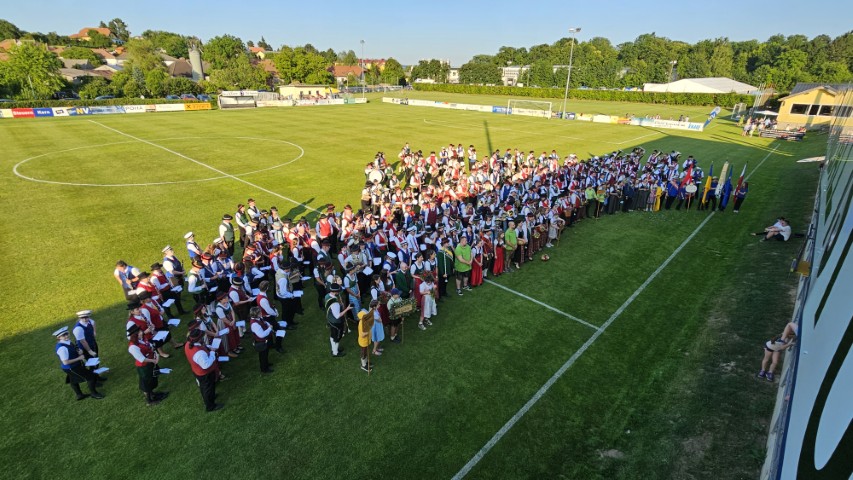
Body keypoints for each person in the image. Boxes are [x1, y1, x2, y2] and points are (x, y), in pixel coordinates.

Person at [54, 326, 104, 401]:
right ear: (58, 337)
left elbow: (72, 351)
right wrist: (79, 358)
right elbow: (65, 362)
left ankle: (79, 395)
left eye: (67, 333)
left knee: (73, 380)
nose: (66, 336)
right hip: (71, 367)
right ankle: (94, 393)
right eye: (63, 335)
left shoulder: (67, 342)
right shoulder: (62, 348)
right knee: (91, 377)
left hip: (72, 367)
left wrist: (79, 352)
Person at [127, 324, 168, 406]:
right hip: (144, 367)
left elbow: (150, 347)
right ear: (135, 335)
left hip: (150, 363)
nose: (141, 333)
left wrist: (156, 354)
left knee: (152, 379)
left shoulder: (141, 339)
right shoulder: (133, 347)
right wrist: (153, 360)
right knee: (147, 383)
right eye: (139, 332)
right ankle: (149, 400)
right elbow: (142, 359)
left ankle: (152, 394)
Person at [184, 328, 223, 412]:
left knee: (206, 387)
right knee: (207, 388)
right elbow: (206, 365)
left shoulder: (188, 344)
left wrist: (208, 347)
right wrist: (212, 352)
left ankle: (211, 397)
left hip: (197, 371)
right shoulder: (198, 353)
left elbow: (201, 347)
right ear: (199, 339)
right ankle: (210, 406)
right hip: (205, 373)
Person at [72, 310, 103, 380]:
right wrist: (89, 351)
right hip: (85, 348)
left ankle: (96, 377)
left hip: (92, 344)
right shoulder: (78, 328)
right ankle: (93, 380)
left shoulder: (89, 321)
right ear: (79, 318)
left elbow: (93, 322)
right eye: (82, 318)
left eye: (86, 317)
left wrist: (94, 332)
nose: (85, 319)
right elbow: (83, 341)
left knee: (96, 361)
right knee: (92, 364)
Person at [325, 284, 351, 357]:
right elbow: (337, 316)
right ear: (335, 292)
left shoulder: (327, 296)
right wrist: (347, 309)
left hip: (330, 319)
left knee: (333, 335)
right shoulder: (335, 303)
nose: (339, 292)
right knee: (337, 337)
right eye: (338, 291)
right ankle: (335, 353)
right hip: (336, 322)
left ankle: (334, 349)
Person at [249, 306, 274, 374]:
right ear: (256, 314)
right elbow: (262, 335)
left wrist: (267, 324)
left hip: (264, 340)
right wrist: (269, 328)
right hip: (261, 341)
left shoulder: (258, 318)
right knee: (263, 355)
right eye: (259, 312)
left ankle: (266, 363)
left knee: (265, 353)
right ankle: (264, 369)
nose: (261, 313)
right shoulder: (254, 324)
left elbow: (264, 322)